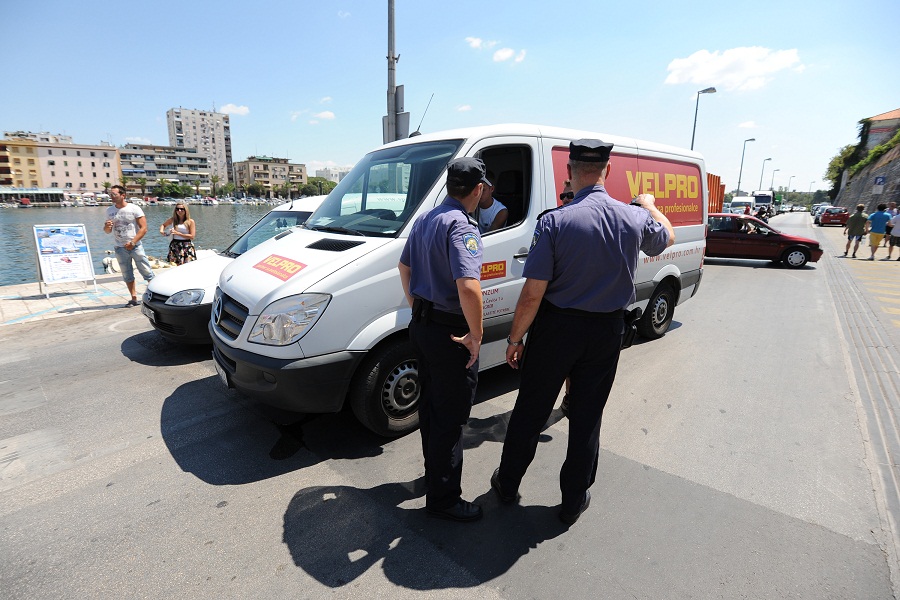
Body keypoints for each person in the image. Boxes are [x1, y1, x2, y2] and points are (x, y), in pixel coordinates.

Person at [491, 139, 673, 525]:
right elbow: (666, 237)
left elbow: (532, 293)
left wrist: (515, 339)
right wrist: (650, 203)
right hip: (606, 332)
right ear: (607, 172)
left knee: (531, 410)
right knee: (587, 416)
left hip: (557, 330)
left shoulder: (555, 221)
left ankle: (507, 484)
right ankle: (573, 499)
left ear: (569, 172)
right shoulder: (633, 217)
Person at [398, 157, 487, 523]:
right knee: (450, 417)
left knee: (431, 411)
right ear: (478, 190)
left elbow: (404, 267)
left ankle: (435, 476)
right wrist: (477, 335)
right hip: (452, 333)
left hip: (422, 328)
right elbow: (468, 286)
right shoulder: (462, 226)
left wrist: (417, 306)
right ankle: (444, 498)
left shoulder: (426, 218)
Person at [104, 184, 154, 307]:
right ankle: (133, 298)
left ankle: (156, 294)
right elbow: (107, 231)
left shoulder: (134, 208)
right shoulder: (109, 211)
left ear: (123, 195)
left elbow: (144, 228)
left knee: (146, 271)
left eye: (114, 194)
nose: (112, 196)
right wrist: (107, 227)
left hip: (135, 246)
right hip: (119, 247)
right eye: (111, 194)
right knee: (127, 274)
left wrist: (133, 242)